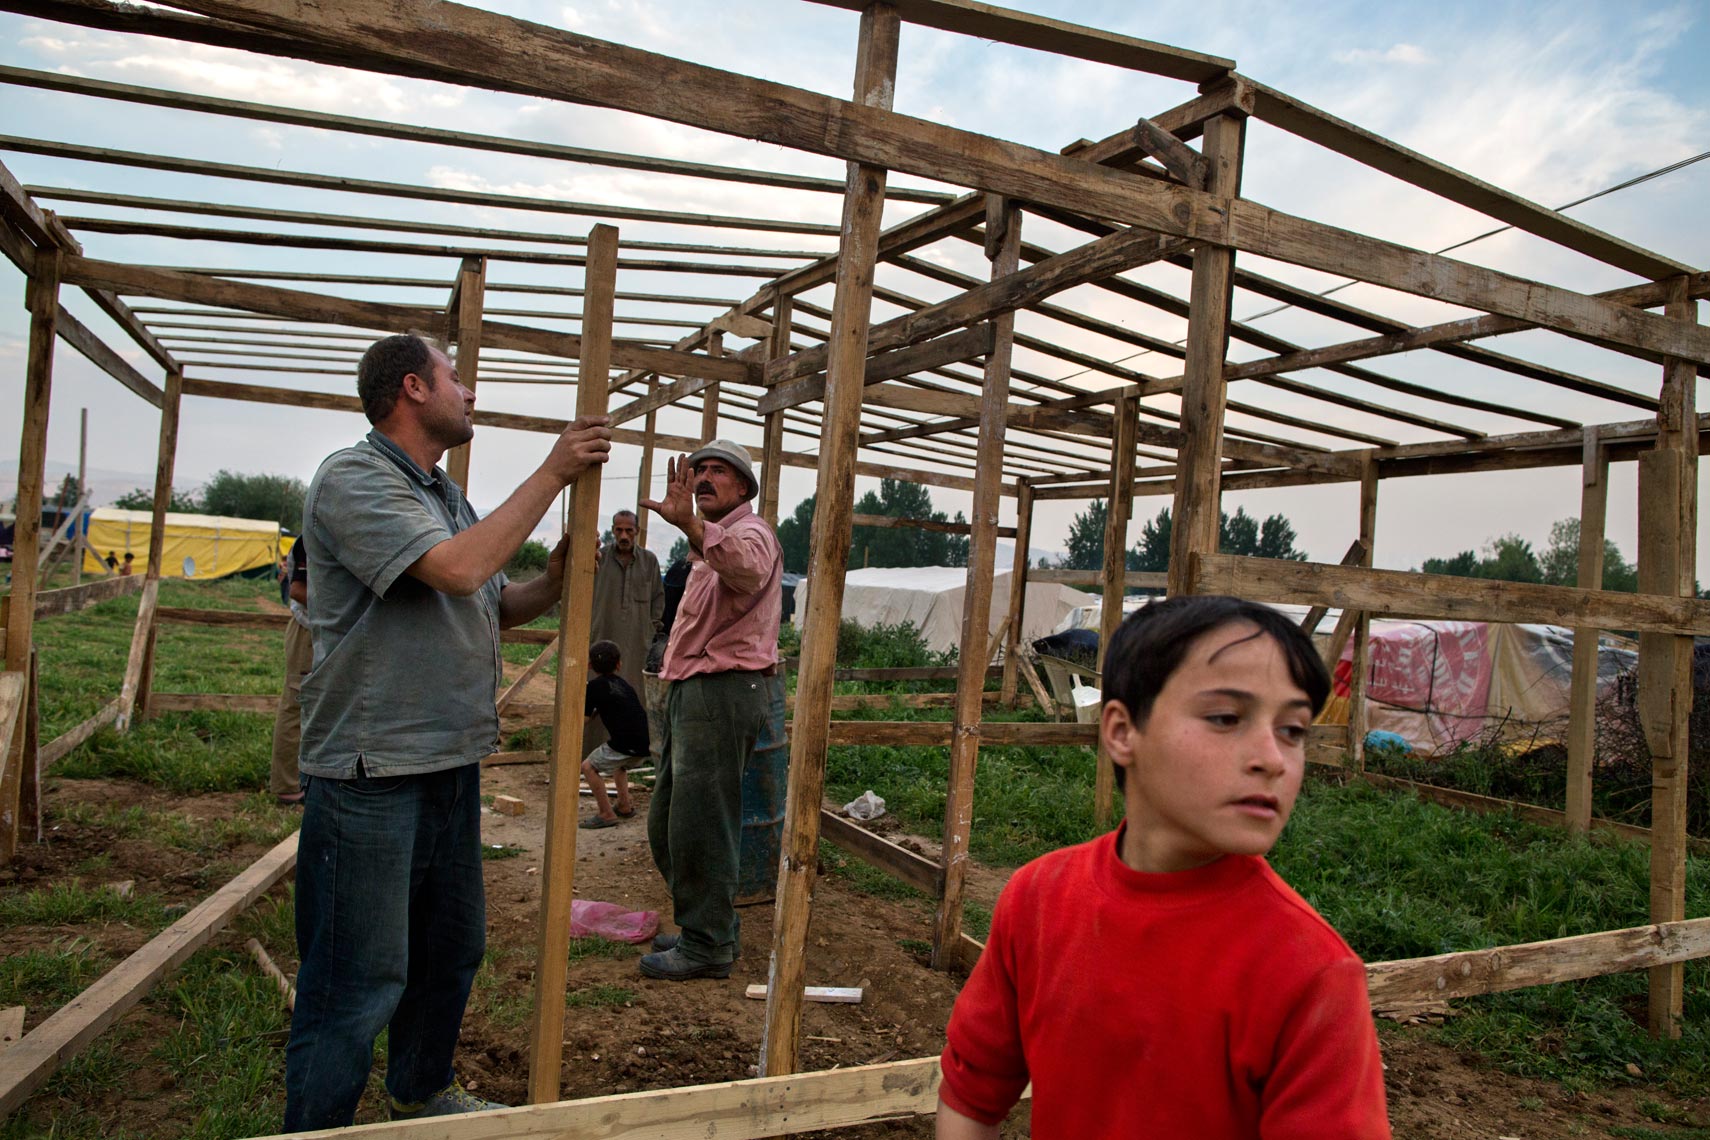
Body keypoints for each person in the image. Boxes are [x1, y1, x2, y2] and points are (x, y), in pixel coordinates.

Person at [286, 332, 610, 1130]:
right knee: (357, 977)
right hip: (373, 769)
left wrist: (556, 578)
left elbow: (493, 600)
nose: (469, 390)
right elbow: (455, 571)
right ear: (412, 390)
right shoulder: (354, 479)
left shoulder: (443, 494)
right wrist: (553, 472)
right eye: (455, 376)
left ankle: (419, 1089)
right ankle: (315, 1126)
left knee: (448, 953)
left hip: (447, 760)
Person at [936, 595, 1391, 1139]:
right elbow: (970, 1093)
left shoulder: (1311, 976)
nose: (1273, 758)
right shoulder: (1038, 899)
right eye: (1226, 717)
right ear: (1122, 732)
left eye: (1292, 730)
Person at [636, 439, 782, 981]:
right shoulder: (706, 547)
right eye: (699, 471)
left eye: (718, 472)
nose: (703, 479)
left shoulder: (751, 533)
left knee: (702, 823)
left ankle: (709, 943)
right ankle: (709, 924)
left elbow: (745, 569)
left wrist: (694, 529)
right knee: (670, 821)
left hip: (724, 692)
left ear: (743, 487)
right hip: (694, 692)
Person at [586, 508, 663, 754]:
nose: (624, 535)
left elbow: (658, 602)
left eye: (629, 530)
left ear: (637, 532)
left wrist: (650, 629)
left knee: (633, 695)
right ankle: (590, 751)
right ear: (612, 531)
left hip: (637, 644)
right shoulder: (598, 558)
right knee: (596, 695)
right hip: (601, 637)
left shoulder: (649, 561)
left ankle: (632, 754)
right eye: (619, 530)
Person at [579, 639, 651, 829]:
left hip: (625, 743)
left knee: (588, 767)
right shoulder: (623, 685)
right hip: (646, 742)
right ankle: (624, 805)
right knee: (620, 766)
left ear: (589, 665)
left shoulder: (593, 687)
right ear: (619, 664)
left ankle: (606, 813)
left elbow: (584, 720)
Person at [268, 540, 310, 806]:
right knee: (296, 706)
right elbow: (297, 590)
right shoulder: (311, 537)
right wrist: (346, 609)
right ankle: (287, 785)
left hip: (325, 629)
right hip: (309, 628)